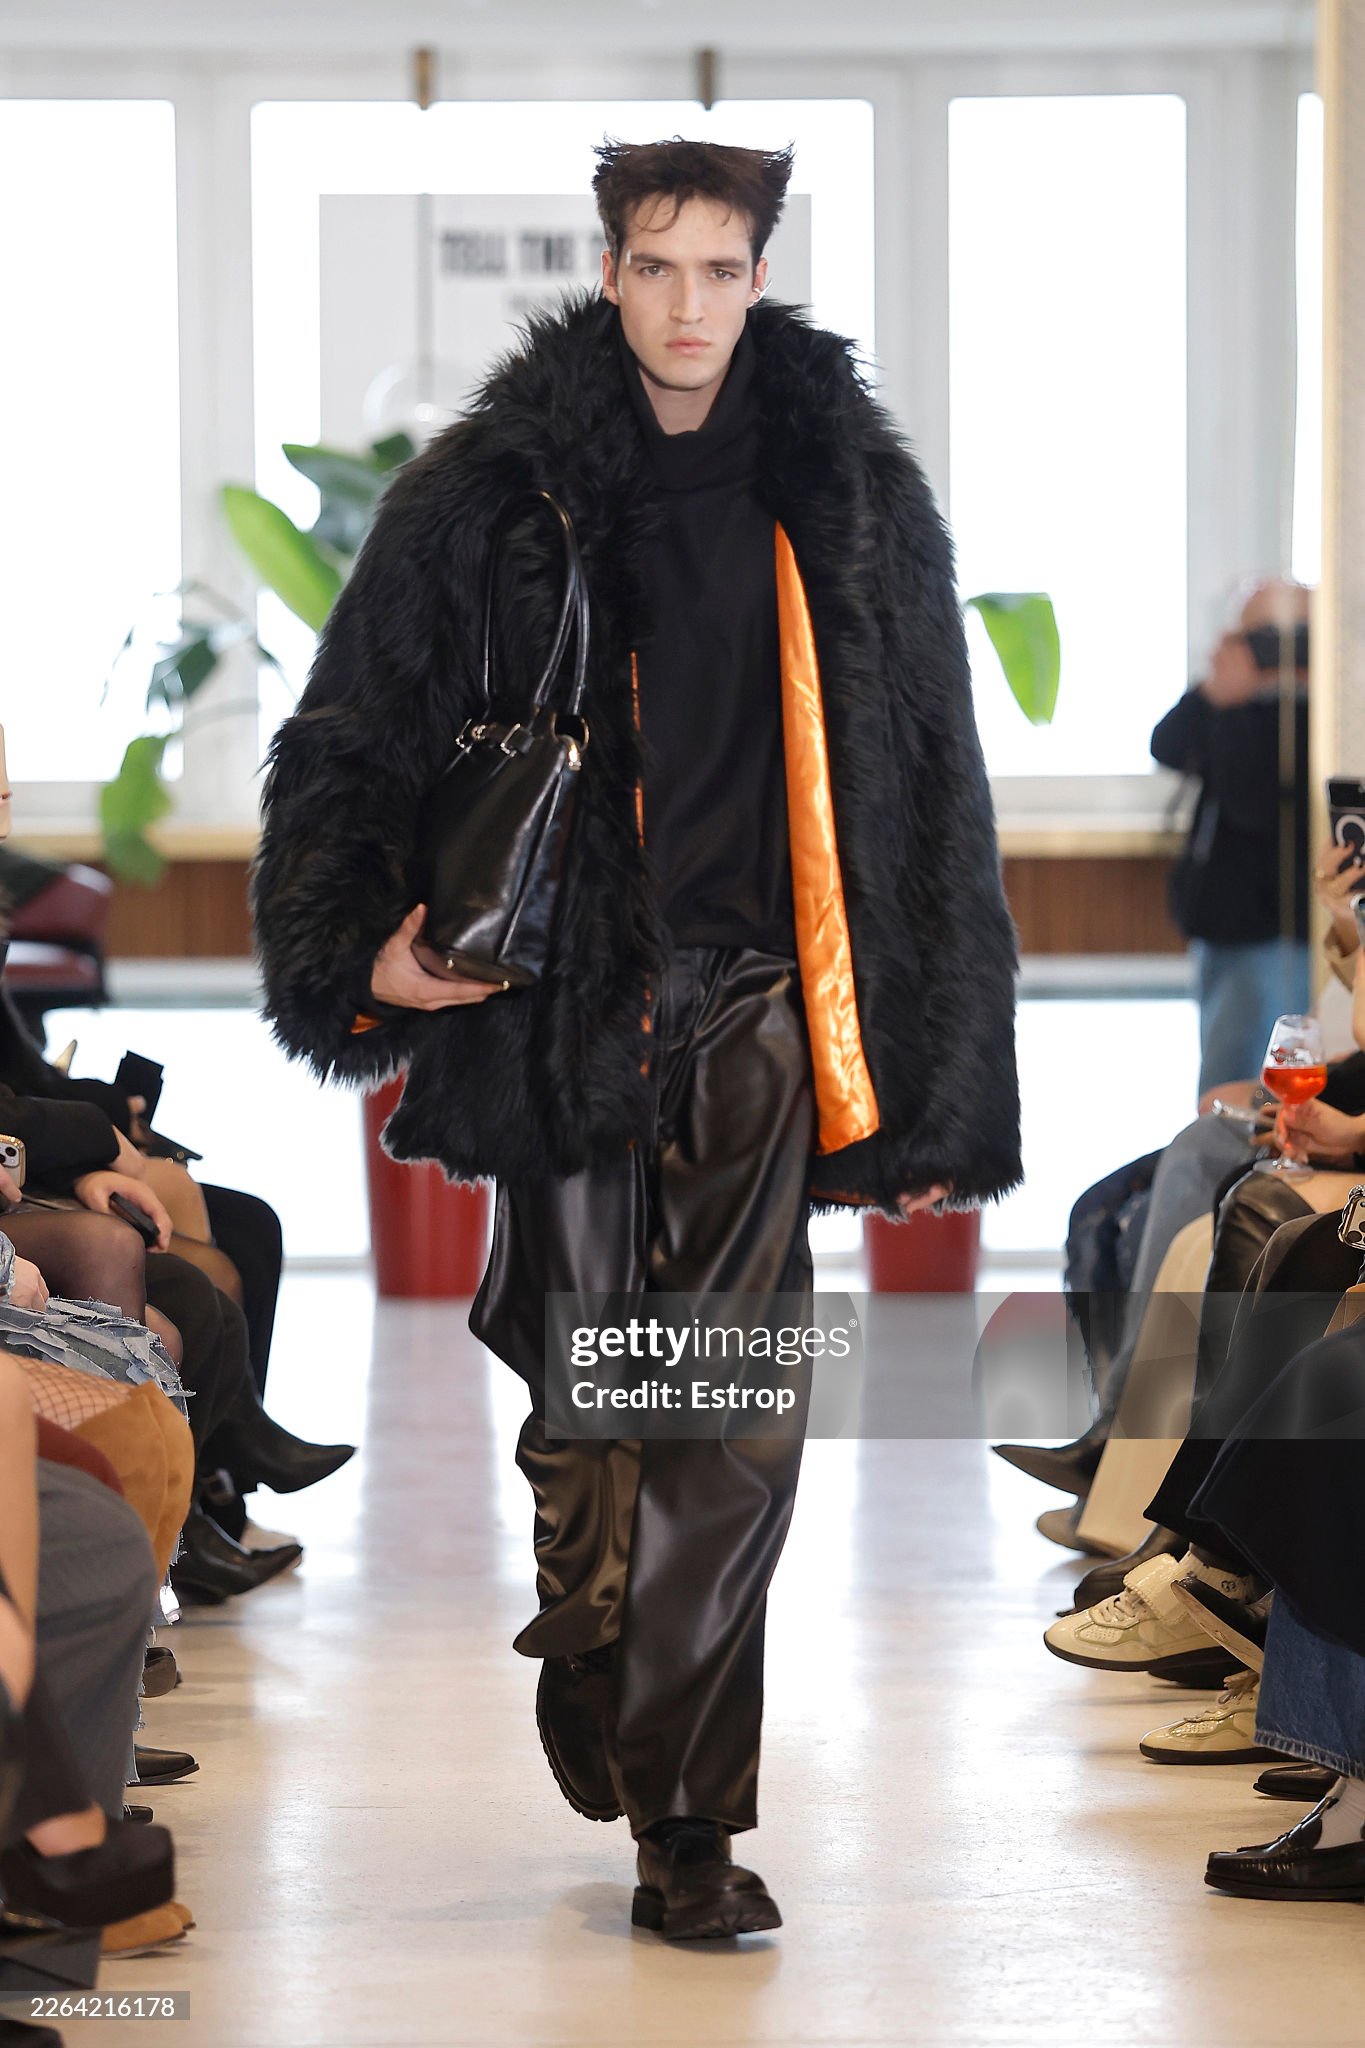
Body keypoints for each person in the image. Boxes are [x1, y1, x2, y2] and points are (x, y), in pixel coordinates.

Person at [252, 136, 1020, 1942]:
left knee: (732, 1411)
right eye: (657, 267)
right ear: (613, 273)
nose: (688, 303)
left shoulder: (850, 499)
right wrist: (359, 946)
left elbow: (932, 791)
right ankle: (590, 1617)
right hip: (563, 1000)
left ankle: (692, 1818)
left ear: (763, 276)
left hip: (759, 994)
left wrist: (935, 1047)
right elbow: (353, 729)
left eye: (721, 268)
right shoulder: (494, 494)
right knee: (593, 1400)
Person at [1151, 578, 1313, 1097]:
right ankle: (1222, 1178)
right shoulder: (1228, 700)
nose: (1255, 647)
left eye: (1266, 635)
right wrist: (1216, 691)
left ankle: (1238, 1178)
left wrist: (1239, 705)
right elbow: (1167, 744)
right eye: (1247, 633)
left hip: (1272, 937)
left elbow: (1254, 805)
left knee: (1246, 1090)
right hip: (1222, 928)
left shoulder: (1318, 715)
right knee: (1224, 1079)